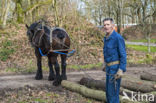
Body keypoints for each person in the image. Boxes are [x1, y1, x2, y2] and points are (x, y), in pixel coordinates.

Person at [102, 18, 127, 103]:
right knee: (108, 93)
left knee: (113, 94)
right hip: (109, 68)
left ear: (113, 26)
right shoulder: (106, 38)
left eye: (108, 24)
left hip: (115, 69)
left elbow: (123, 55)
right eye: (104, 25)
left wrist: (121, 69)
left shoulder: (117, 38)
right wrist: (105, 63)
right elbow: (106, 52)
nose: (106, 26)